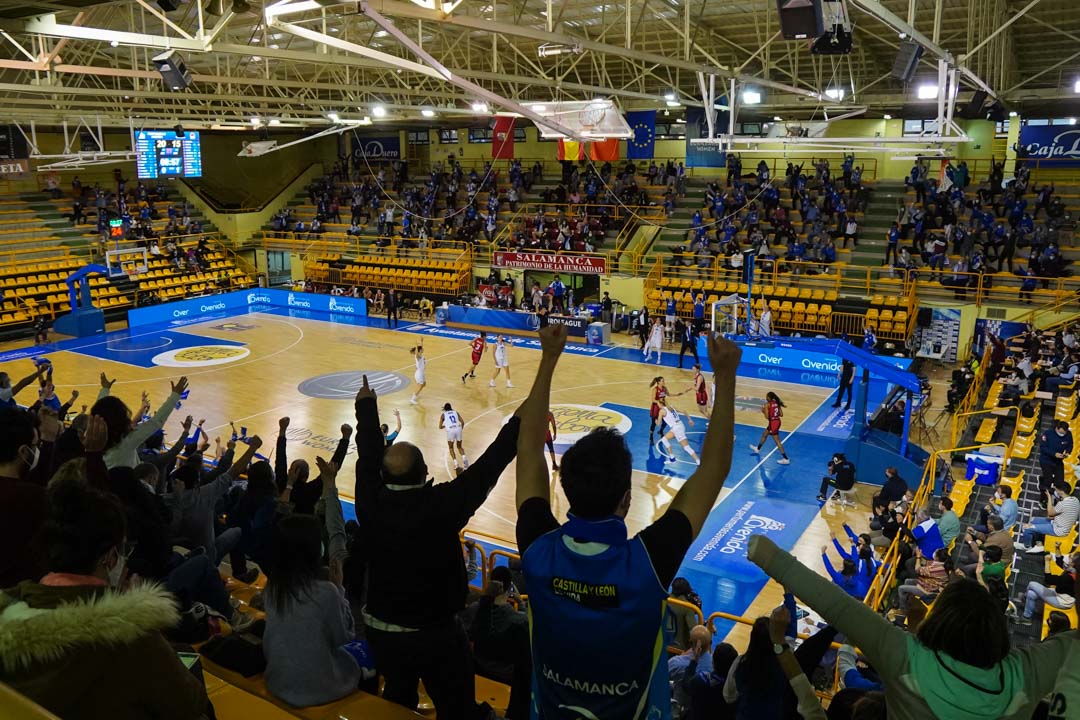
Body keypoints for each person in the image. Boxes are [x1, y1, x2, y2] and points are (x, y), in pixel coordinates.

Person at [513, 326, 741, 719]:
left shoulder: (537, 548)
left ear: (565, 486)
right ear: (627, 498)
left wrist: (548, 358)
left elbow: (529, 449)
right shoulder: (647, 563)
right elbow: (715, 468)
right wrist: (726, 375)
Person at [748, 534, 1078, 720]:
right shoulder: (1025, 672)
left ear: (939, 623)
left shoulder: (907, 659)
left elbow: (835, 605)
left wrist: (770, 556)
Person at [352, 373, 523, 718]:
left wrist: (366, 410)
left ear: (385, 479)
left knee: (396, 699)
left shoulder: (370, 501)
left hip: (382, 632)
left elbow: (368, 459)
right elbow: (490, 464)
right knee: (457, 708)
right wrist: (522, 416)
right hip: (436, 635)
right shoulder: (442, 505)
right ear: (426, 472)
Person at [0, 478, 209, 719]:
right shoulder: (130, 635)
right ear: (109, 557)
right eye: (124, 550)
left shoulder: (11, 606)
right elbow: (190, 704)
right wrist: (134, 613)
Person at [264, 458, 364, 707]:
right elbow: (344, 638)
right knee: (367, 648)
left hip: (277, 682)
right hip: (321, 690)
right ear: (313, 550)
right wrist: (339, 589)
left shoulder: (272, 587)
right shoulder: (327, 592)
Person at [92, 375, 187, 469]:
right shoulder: (126, 442)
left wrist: (104, 390)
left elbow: (100, 414)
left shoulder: (90, 439)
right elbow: (156, 421)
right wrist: (175, 396)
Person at [1017, 481, 1080, 554]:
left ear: (1061, 491)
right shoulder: (1075, 500)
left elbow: (1050, 513)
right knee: (1033, 520)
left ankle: (1027, 546)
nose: (1055, 492)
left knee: (1026, 528)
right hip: (1059, 523)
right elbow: (1066, 514)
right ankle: (1039, 545)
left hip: (1058, 529)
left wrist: (1049, 497)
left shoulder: (1063, 504)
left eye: (1056, 490)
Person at [682, 642, 738, 720]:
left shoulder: (701, 680)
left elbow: (685, 684)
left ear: (713, 662)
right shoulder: (736, 690)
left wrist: (694, 660)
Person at [1021, 552, 1078, 624]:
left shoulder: (1070, 577)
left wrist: (1047, 561)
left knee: (1032, 584)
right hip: (1060, 594)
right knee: (1031, 594)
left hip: (1062, 601)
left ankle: (1023, 597)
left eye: (1070, 558)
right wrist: (1057, 547)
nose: (1068, 558)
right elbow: (1060, 562)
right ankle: (1026, 618)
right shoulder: (1074, 571)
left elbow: (1048, 580)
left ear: (1073, 563)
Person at [669, 625, 714, 716]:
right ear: (710, 643)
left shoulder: (677, 663)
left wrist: (683, 655)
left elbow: (664, 674)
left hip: (683, 702)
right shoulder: (714, 663)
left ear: (691, 643)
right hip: (704, 706)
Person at [750, 391, 790, 464]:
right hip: (777, 421)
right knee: (764, 434)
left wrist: (763, 411)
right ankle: (757, 448)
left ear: (768, 398)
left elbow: (767, 417)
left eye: (766, 396)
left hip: (773, 423)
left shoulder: (767, 405)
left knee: (777, 441)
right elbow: (781, 414)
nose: (766, 398)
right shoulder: (777, 403)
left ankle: (786, 459)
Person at [656, 399, 699, 464]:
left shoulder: (661, 411)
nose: (657, 405)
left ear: (661, 404)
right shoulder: (671, 407)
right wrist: (690, 420)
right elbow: (684, 411)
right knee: (664, 439)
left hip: (677, 428)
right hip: (679, 426)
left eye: (658, 403)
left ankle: (697, 460)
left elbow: (658, 423)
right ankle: (672, 458)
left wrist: (656, 421)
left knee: (686, 447)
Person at [1039, 421, 1074, 495]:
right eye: (1060, 433)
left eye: (1064, 433)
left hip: (1058, 461)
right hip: (1046, 460)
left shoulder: (1068, 434)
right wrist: (1054, 454)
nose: (1062, 435)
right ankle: (1044, 495)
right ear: (1056, 429)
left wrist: (1067, 452)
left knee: (1060, 481)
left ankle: (1057, 495)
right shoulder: (1047, 434)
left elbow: (1070, 445)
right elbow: (1043, 448)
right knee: (1048, 480)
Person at [439, 402, 469, 475]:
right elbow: (462, 422)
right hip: (458, 429)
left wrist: (446, 426)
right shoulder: (456, 412)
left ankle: (456, 464)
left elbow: (440, 427)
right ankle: (465, 461)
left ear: (445, 409)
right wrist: (460, 430)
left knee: (451, 448)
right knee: (459, 447)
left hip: (451, 431)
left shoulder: (443, 415)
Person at [409, 339, 426, 404]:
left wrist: (421, 342)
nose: (423, 349)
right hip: (419, 373)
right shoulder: (418, 356)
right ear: (419, 351)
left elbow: (420, 348)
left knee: (424, 384)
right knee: (420, 385)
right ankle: (413, 398)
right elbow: (416, 353)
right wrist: (416, 345)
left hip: (422, 372)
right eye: (421, 349)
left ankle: (415, 394)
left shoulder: (420, 354)